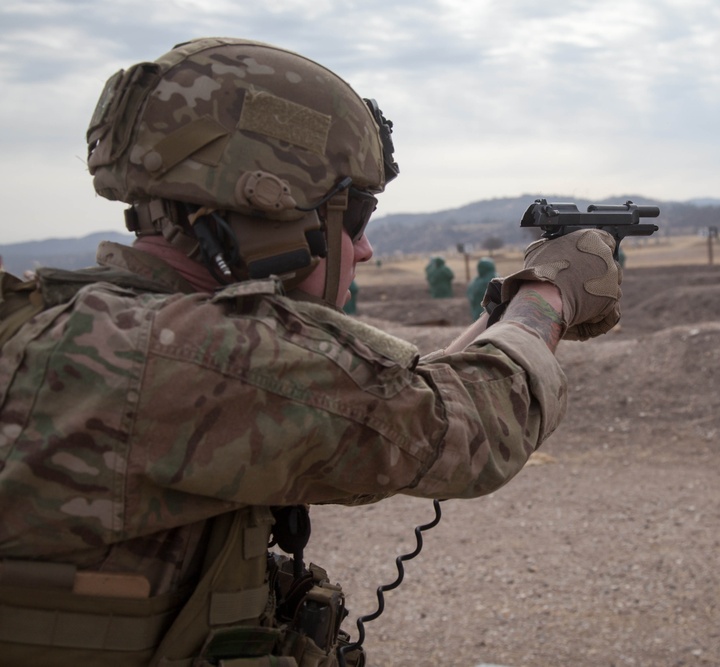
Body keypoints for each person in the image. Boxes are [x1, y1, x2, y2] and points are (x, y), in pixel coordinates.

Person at [0, 37, 624, 666]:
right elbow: (472, 430)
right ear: (272, 208)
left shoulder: (64, 320)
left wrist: (492, 319)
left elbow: (372, 397)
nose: (364, 248)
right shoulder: (199, 356)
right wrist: (551, 294)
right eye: (353, 217)